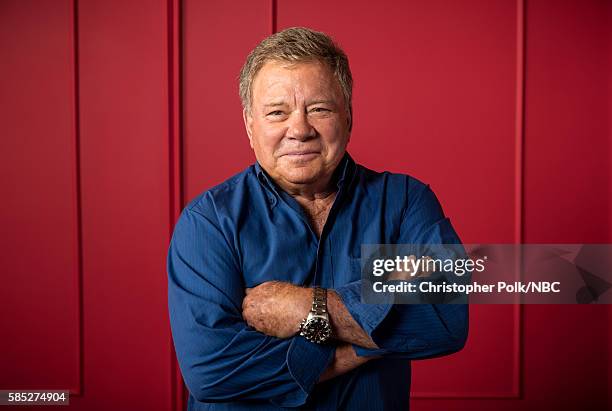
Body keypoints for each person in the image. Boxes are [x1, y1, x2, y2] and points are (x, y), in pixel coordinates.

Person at [167, 27, 468, 411]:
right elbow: (211, 370)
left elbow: (444, 316)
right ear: (249, 125)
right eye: (277, 112)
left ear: (348, 117)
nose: (300, 130)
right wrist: (359, 345)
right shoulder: (208, 222)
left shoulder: (406, 202)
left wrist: (306, 307)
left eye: (319, 109)